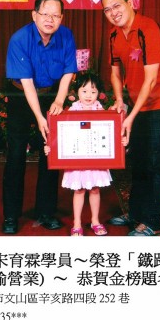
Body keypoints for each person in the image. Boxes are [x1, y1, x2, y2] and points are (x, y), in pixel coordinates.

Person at [101, 0, 160, 236]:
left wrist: (131, 117)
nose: (113, 13)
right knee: (139, 160)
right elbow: (115, 73)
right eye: (107, 10)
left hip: (158, 103)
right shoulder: (114, 36)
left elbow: (151, 79)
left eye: (117, 6)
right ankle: (135, 213)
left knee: (155, 162)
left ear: (130, 3)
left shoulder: (148, 28)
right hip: (136, 102)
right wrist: (120, 101)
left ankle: (152, 221)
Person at [2, 0, 77, 234]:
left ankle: (46, 212)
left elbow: (69, 72)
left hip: (50, 94)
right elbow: (26, 84)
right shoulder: (19, 39)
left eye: (56, 15)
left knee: (50, 153)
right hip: (20, 96)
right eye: (45, 14)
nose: (50, 20)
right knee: (16, 155)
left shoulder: (66, 36)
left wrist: (59, 101)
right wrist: (39, 117)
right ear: (34, 15)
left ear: (61, 18)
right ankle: (11, 216)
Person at [45, 72, 128, 236]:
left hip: (96, 159)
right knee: (79, 190)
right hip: (77, 160)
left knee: (95, 189)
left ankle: (95, 221)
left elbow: (110, 134)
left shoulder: (102, 111)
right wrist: (50, 148)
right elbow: (60, 135)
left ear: (99, 93)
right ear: (77, 92)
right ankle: (77, 224)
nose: (89, 95)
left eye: (93, 91)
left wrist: (121, 141)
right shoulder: (71, 111)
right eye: (84, 91)